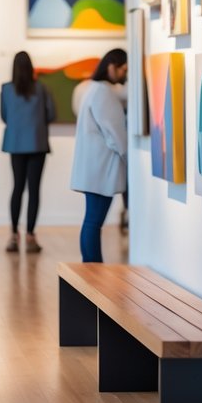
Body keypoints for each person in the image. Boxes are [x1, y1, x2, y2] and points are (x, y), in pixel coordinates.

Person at [70, 48, 128, 263]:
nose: (124, 75)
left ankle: (90, 267)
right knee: (94, 222)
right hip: (101, 168)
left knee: (91, 221)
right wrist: (128, 156)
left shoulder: (93, 90)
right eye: (123, 69)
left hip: (94, 167)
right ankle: (93, 268)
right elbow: (116, 134)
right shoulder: (103, 92)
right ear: (111, 66)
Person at [0, 51, 56, 253]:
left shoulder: (6, 89)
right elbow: (51, 114)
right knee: (34, 190)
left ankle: (14, 235)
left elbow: (4, 116)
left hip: (15, 144)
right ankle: (31, 236)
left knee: (17, 188)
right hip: (37, 143)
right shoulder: (41, 89)